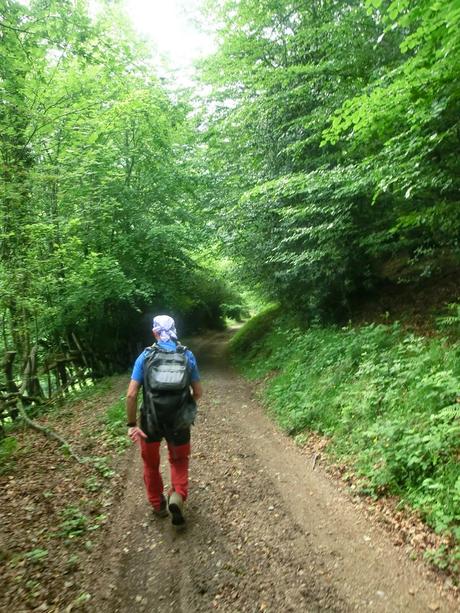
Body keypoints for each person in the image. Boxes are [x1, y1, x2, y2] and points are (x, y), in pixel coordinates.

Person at [126, 315, 202, 527]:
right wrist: (185, 406)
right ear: (175, 330)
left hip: (150, 421)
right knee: (179, 460)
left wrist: (132, 425)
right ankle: (177, 495)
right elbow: (198, 391)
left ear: (154, 332)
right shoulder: (187, 355)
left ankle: (158, 504)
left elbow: (131, 395)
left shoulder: (145, 357)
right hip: (179, 421)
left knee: (150, 463)